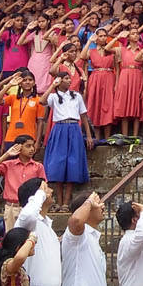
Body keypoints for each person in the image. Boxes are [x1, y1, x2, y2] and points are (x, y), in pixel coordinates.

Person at [43, 72, 92, 210]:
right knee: (58, 164)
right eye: (65, 78)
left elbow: (83, 116)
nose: (69, 81)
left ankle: (65, 203)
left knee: (72, 163)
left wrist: (88, 135)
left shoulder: (76, 96)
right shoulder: (53, 96)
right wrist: (52, 86)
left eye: (69, 78)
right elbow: (42, 101)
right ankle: (58, 202)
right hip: (59, 128)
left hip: (74, 128)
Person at [0, 135, 45, 232]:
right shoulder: (8, 165)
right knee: (12, 240)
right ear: (18, 147)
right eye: (28, 146)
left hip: (31, 207)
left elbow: (43, 187)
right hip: (12, 207)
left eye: (33, 146)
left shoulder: (38, 166)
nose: (32, 149)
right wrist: (7, 154)